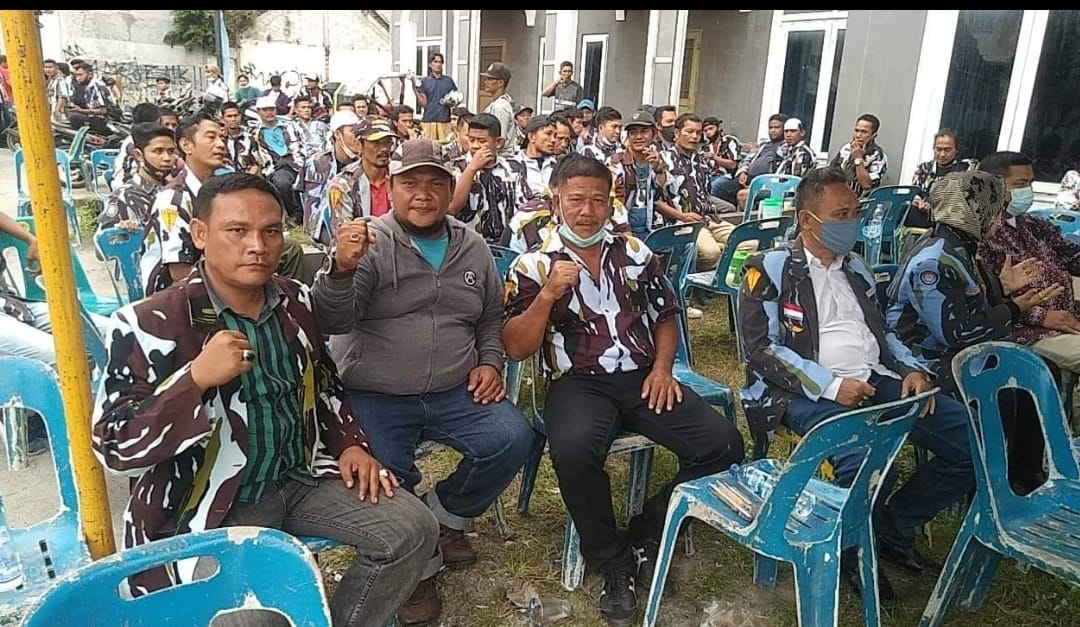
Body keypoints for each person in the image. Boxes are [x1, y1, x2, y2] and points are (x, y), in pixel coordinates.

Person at [92, 172, 439, 626]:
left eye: (271, 231)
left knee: (413, 530)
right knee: (260, 620)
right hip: (210, 505)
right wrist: (194, 379)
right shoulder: (148, 323)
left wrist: (349, 444)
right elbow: (114, 446)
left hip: (299, 475)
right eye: (237, 230)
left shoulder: (295, 300)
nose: (257, 246)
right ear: (200, 234)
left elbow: (325, 382)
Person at [503, 153, 744, 625]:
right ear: (556, 200)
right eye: (576, 200)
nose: (587, 211)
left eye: (598, 200)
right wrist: (548, 295)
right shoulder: (533, 264)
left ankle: (648, 528)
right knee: (574, 451)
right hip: (578, 382)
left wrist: (663, 369)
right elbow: (515, 346)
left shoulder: (634, 252)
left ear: (611, 202)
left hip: (641, 376)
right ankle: (612, 561)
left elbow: (665, 315)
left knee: (723, 444)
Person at [312, 139, 533, 625]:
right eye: (410, 183)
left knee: (513, 437)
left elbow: (490, 316)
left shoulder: (472, 246)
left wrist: (490, 361)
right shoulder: (370, 242)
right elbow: (331, 319)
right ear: (391, 189)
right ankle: (417, 566)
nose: (423, 194)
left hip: (455, 387)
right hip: (375, 391)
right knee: (383, 469)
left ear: (451, 190)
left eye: (435, 183)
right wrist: (341, 269)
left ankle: (444, 516)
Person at [739, 165, 976, 602]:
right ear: (807, 220)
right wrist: (830, 386)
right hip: (797, 391)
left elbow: (882, 334)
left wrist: (910, 370)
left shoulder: (857, 268)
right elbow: (761, 349)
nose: (852, 222)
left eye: (855, 212)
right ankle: (851, 552)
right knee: (864, 457)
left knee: (970, 441)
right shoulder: (770, 268)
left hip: (875, 376)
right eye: (841, 215)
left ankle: (892, 528)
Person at [888, 169, 1056, 494]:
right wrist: (1012, 309)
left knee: (1037, 370)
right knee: (1007, 386)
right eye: (996, 208)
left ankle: (1022, 473)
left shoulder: (961, 247)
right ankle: (998, 481)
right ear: (972, 211)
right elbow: (957, 332)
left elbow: (972, 303)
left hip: (956, 351)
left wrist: (1004, 292)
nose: (999, 218)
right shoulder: (934, 260)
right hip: (923, 359)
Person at [978, 151, 1080, 431]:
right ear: (994, 186)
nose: (1028, 192)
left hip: (1066, 316)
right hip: (1025, 329)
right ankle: (1067, 444)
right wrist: (1042, 316)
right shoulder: (982, 233)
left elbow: (1071, 256)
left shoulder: (1032, 224)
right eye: (1021, 184)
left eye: (1031, 183)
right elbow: (985, 298)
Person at [656, 113, 736, 274]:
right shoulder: (663, 159)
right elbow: (656, 201)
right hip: (682, 222)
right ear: (677, 132)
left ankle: (720, 262)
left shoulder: (701, 160)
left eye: (698, 133)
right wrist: (682, 216)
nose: (694, 137)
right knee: (711, 253)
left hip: (709, 218)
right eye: (689, 131)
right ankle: (697, 277)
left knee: (749, 242)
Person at [321, 116, 396, 243]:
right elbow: (343, 233)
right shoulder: (343, 184)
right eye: (376, 143)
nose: (384, 149)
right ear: (358, 145)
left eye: (387, 142)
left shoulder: (399, 178)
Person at [448, 113, 519, 242]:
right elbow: (453, 207)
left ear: (498, 143)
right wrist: (472, 169)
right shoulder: (456, 167)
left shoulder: (512, 169)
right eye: (471, 140)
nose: (475, 146)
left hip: (505, 244)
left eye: (482, 141)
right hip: (467, 243)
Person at [98, 123, 177, 232]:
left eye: (171, 151)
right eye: (158, 151)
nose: (167, 158)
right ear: (139, 155)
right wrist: (122, 229)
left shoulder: (178, 190)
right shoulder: (124, 196)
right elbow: (107, 237)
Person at [300, 110, 362, 246]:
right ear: (337, 134)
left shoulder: (363, 164)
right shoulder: (316, 162)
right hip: (321, 225)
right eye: (352, 131)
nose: (357, 136)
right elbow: (305, 197)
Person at [609, 109, 668, 238]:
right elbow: (612, 200)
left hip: (652, 229)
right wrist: (624, 230)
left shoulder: (659, 159)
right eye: (633, 133)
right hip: (622, 231)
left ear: (654, 134)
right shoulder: (616, 162)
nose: (638, 137)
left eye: (644, 131)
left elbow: (666, 193)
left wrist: (658, 169)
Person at [908, 128, 979, 229]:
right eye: (938, 149)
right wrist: (920, 203)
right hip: (925, 215)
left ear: (956, 150)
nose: (942, 154)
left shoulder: (967, 169)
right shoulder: (925, 169)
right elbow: (915, 192)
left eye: (947, 150)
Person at [253, 94, 304, 224]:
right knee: (282, 182)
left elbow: (302, 143)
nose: (269, 113)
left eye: (271, 109)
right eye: (265, 110)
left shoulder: (290, 125)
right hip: (275, 166)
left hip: (297, 161)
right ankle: (295, 214)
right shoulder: (255, 133)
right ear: (259, 112)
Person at [732, 113, 787, 210]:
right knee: (720, 186)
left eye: (776, 127)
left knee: (743, 195)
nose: (772, 130)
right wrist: (743, 171)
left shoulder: (785, 147)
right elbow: (748, 159)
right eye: (770, 128)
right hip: (747, 179)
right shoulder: (763, 145)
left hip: (765, 183)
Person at [830, 113, 888, 198]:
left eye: (864, 132)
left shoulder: (877, 155)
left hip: (861, 201)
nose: (858, 135)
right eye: (856, 131)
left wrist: (858, 159)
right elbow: (830, 173)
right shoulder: (846, 148)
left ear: (873, 135)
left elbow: (867, 185)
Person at [110, 102, 161, 191]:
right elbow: (148, 169)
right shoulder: (134, 143)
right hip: (127, 187)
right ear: (158, 121)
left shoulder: (138, 138)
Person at [413, 52, 459, 141]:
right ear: (430, 64)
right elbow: (423, 104)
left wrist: (452, 102)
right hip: (429, 121)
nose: (438, 64)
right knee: (428, 147)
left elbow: (455, 101)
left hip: (445, 121)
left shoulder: (448, 81)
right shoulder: (424, 81)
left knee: (446, 146)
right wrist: (414, 89)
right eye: (435, 62)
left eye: (440, 62)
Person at [480, 62, 518, 157]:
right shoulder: (496, 103)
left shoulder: (501, 107)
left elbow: (499, 141)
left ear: (500, 83)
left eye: (490, 79)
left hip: (502, 157)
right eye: (486, 79)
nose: (486, 82)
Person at [67, 61, 113, 135]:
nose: (78, 78)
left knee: (75, 118)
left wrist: (81, 110)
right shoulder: (83, 86)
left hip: (104, 120)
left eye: (80, 75)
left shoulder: (97, 87)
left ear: (90, 74)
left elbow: (103, 111)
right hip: (91, 117)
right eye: (76, 75)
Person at [702, 116, 741, 201]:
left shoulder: (730, 141)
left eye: (711, 129)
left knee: (714, 186)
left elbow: (733, 165)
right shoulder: (706, 147)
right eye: (705, 131)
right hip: (710, 176)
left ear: (719, 128)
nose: (708, 132)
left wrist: (715, 157)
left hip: (729, 177)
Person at [43, 58, 71, 123]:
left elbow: (63, 96)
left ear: (56, 68)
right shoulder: (51, 80)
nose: (48, 70)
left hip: (59, 110)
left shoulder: (60, 80)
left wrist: (57, 109)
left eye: (50, 67)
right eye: (46, 67)